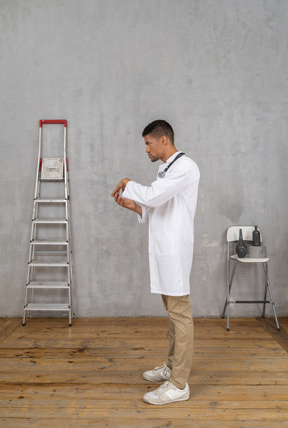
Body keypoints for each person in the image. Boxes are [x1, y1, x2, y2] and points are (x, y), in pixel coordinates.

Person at [111, 120, 200, 405]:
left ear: (164, 140)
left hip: (174, 250)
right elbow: (157, 208)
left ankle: (179, 384)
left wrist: (128, 183)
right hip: (164, 250)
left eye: (148, 143)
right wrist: (134, 206)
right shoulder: (167, 169)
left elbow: (154, 195)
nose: (146, 149)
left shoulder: (185, 167)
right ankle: (172, 368)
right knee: (172, 314)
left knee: (180, 315)